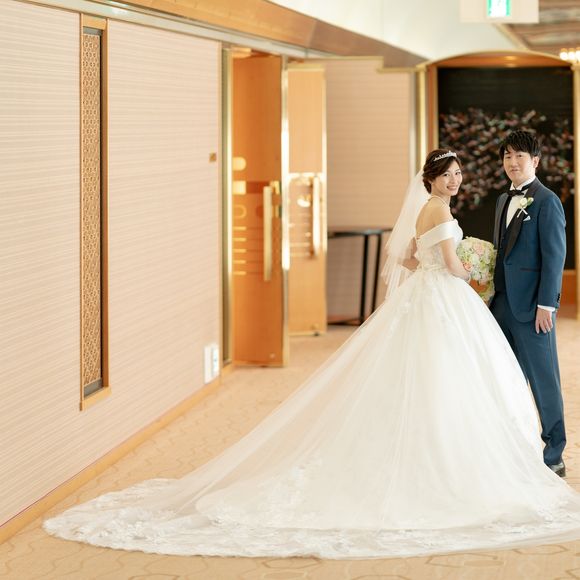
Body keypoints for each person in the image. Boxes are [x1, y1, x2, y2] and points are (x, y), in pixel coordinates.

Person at [43, 150, 580, 559]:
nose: (456, 180)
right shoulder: (439, 211)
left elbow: (409, 260)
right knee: (449, 381)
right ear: (433, 178)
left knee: (423, 380)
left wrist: (444, 269)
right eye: (449, 174)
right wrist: (474, 272)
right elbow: (452, 266)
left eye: (460, 173)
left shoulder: (427, 209)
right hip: (445, 300)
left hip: (427, 297)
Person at [490, 130, 567, 477]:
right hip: (501, 305)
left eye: (519, 156)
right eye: (507, 156)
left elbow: (555, 257)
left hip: (534, 309)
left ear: (534, 161)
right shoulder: (501, 200)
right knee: (505, 379)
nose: (512, 162)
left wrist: (546, 305)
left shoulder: (547, 201)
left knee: (544, 381)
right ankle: (511, 450)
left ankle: (555, 453)